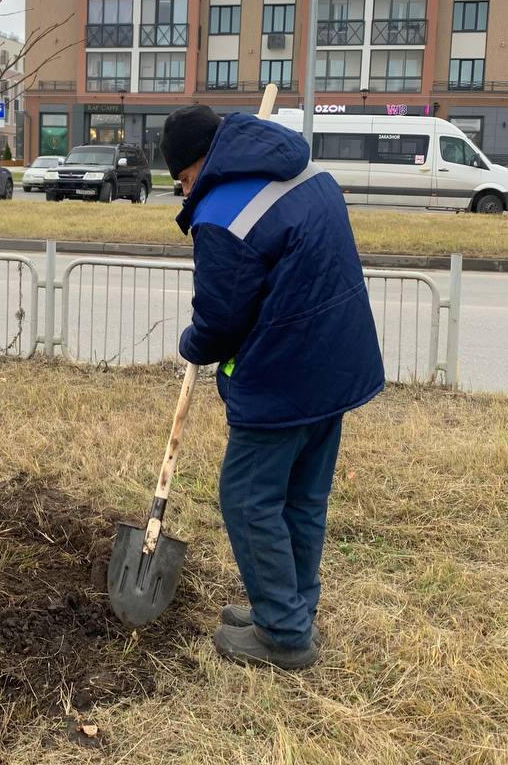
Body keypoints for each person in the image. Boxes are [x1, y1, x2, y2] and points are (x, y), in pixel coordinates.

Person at [159, 105, 385, 671]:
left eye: (184, 181)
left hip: (283, 376)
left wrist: (193, 344)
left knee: (248, 498)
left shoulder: (221, 212)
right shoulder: (304, 172)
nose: (186, 194)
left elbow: (221, 316)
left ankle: (283, 633)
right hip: (336, 364)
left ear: (198, 165)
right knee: (302, 499)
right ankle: (289, 609)